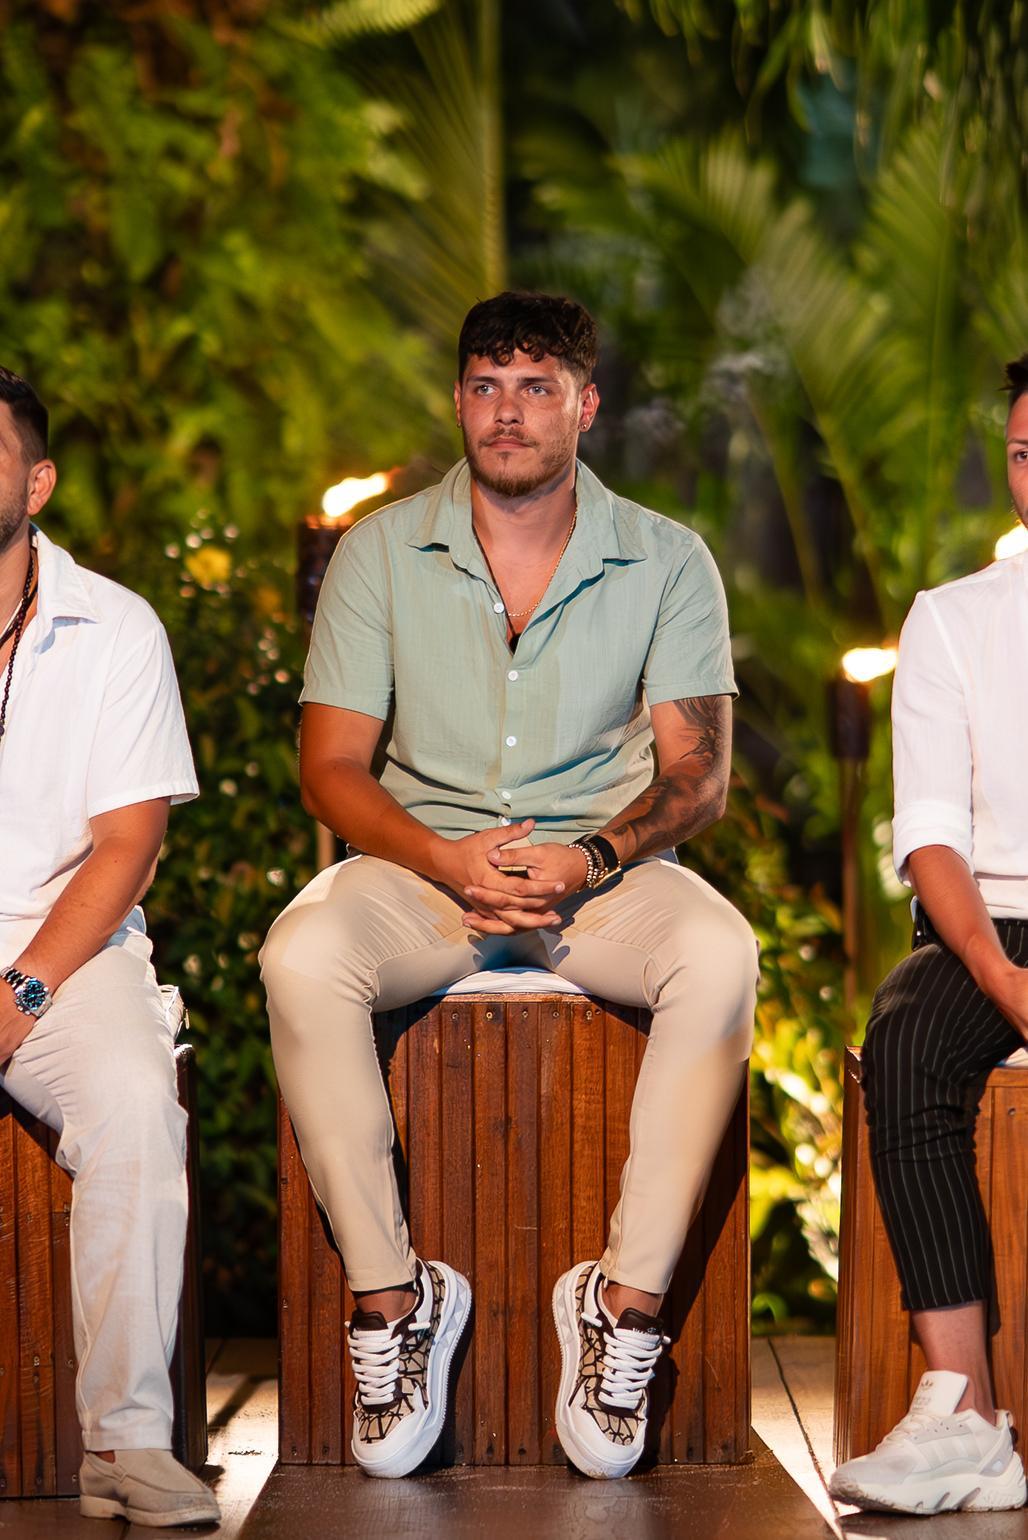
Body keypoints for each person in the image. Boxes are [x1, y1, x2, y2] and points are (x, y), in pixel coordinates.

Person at [261, 290, 757, 1481]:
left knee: (719, 955)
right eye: (485, 385)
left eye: (536, 387)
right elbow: (329, 768)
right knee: (299, 956)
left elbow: (697, 776)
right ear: (456, 400)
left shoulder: (665, 558)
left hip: (603, 878)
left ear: (584, 405)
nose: (506, 411)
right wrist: (446, 859)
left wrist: (587, 857)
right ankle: (394, 1300)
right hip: (422, 870)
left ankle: (620, 1309)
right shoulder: (381, 550)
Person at [0, 367, 219, 1527]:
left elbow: (128, 847)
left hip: (66, 953)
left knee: (137, 1103)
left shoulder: (115, 626)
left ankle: (125, 1443)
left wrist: (21, 991)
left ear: (36, 483)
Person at [829, 357, 1028, 1517]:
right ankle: (963, 1415)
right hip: (987, 919)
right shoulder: (953, 620)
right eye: (1021, 454)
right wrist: (1001, 976)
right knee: (903, 1037)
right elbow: (933, 836)